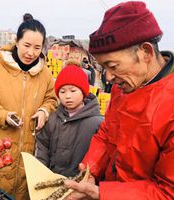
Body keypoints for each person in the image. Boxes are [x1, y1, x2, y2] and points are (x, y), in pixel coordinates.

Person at [64, 1, 174, 199]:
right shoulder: (121, 88)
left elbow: (168, 192)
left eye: (113, 66)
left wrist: (103, 194)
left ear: (146, 52)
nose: (107, 78)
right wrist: (91, 170)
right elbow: (107, 133)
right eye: (104, 68)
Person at [0, 13, 57, 199]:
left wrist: (44, 110)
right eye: (27, 45)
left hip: (30, 155)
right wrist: (3, 116)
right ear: (17, 41)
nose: (31, 53)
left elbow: (51, 99)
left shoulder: (45, 74)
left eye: (37, 48)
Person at [35, 63, 103, 177]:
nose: (67, 96)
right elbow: (42, 149)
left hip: (81, 185)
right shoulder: (52, 119)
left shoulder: (96, 123)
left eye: (73, 91)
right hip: (50, 182)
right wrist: (42, 175)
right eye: (62, 92)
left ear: (83, 92)